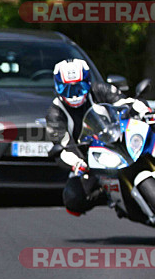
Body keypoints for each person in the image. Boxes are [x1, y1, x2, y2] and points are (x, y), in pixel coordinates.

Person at [45, 59, 151, 215]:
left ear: (87, 82)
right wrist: (77, 163)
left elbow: (125, 101)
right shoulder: (55, 112)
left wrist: (143, 110)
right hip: (91, 161)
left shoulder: (99, 89)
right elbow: (62, 146)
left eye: (79, 87)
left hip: (120, 141)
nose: (73, 94)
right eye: (66, 89)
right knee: (73, 198)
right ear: (57, 87)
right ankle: (108, 196)